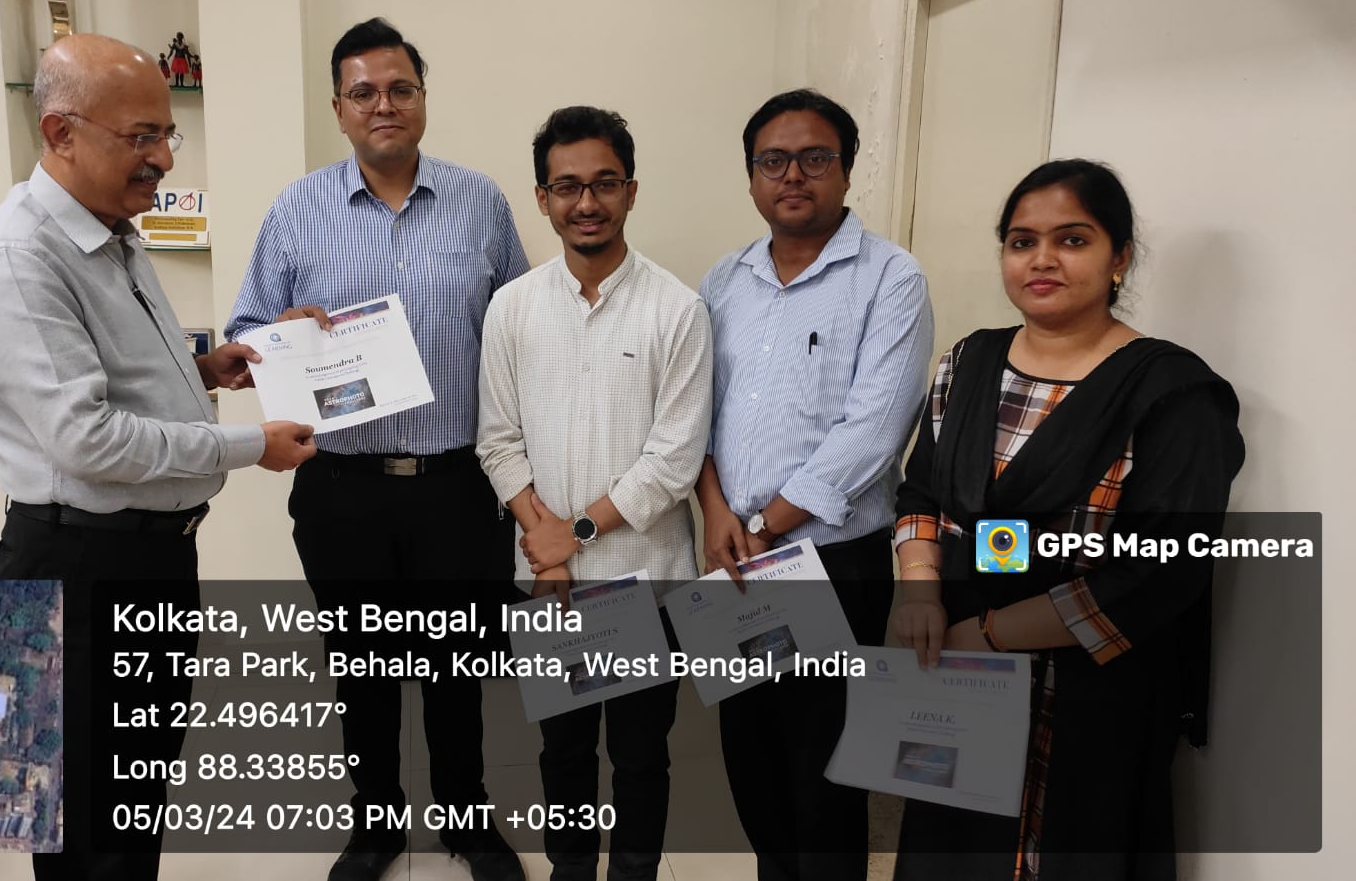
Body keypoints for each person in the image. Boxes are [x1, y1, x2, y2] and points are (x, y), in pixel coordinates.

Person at [0, 34, 316, 881]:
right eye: (140, 137)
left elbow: (108, 377)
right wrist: (251, 446)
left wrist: (204, 371)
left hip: (148, 564)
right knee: (89, 835)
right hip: (78, 571)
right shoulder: (17, 258)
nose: (162, 159)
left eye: (165, 134)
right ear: (61, 132)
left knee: (133, 809)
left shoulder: (110, 230)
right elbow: (87, 438)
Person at [224, 17, 528, 881]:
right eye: (364, 92)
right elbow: (246, 330)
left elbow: (520, 327)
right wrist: (277, 333)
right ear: (339, 108)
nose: (383, 104)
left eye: (400, 88)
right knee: (361, 667)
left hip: (456, 483)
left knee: (456, 665)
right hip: (342, 486)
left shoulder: (481, 201)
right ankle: (376, 825)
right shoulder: (297, 209)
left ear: (422, 98)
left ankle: (467, 818)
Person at [890, 159, 1245, 881]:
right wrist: (919, 589)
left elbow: (1158, 573)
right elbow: (921, 492)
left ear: (1120, 258)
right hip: (959, 678)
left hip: (1089, 696)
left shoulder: (1174, 393)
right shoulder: (968, 362)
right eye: (1022, 242)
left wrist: (988, 634)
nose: (1042, 259)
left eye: (1072, 240)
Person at [695, 88, 934, 881]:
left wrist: (766, 525)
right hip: (732, 556)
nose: (792, 175)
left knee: (825, 773)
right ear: (751, 176)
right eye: (773, 160)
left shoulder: (891, 277)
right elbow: (695, 412)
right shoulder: (723, 281)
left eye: (814, 157)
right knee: (752, 758)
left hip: (831, 560)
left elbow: (875, 429)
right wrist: (715, 512)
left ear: (847, 170)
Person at [476, 106, 712, 881]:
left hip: (647, 578)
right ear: (542, 198)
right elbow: (497, 440)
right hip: (551, 585)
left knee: (641, 758)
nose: (587, 202)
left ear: (631, 191)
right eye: (567, 186)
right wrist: (546, 551)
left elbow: (674, 461)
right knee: (565, 750)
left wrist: (569, 534)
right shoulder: (512, 307)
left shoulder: (678, 309)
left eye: (604, 183)